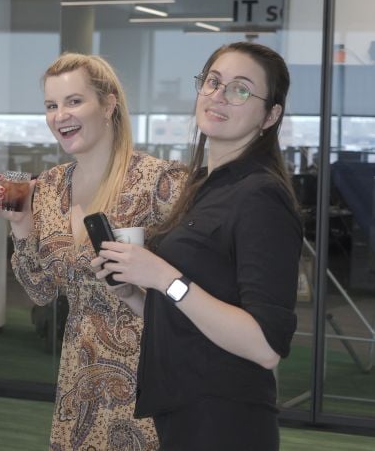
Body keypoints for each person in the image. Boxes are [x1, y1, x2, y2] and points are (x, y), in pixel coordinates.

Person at [93, 42, 302, 450]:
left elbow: (265, 346)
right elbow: (188, 312)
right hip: (184, 408)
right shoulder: (206, 184)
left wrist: (164, 276)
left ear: (270, 115)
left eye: (241, 89)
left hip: (225, 417)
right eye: (213, 82)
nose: (219, 96)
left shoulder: (261, 196)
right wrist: (133, 291)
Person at [0, 53, 183, 450]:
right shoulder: (48, 187)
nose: (61, 115)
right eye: (51, 105)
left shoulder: (161, 182)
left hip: (152, 369)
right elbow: (41, 292)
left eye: (74, 101)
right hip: (80, 372)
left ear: (109, 104)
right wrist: (21, 224)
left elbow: (190, 288)